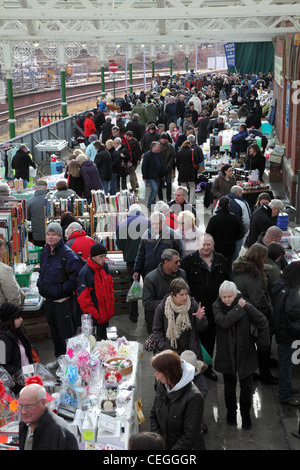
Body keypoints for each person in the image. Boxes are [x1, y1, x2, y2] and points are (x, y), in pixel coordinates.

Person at [213, 281, 270, 429]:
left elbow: (262, 321)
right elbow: (224, 322)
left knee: (247, 387)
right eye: (224, 296)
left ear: (236, 294)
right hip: (226, 354)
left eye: (229, 296)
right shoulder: (217, 306)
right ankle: (231, 414)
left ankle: (246, 416)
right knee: (229, 388)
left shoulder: (247, 305)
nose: (226, 299)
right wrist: (239, 307)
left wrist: (263, 345)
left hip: (246, 352)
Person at [181, 233, 229, 381]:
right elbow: (182, 286)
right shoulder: (188, 262)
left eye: (208, 244)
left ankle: (207, 368)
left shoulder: (222, 261)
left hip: (215, 310)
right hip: (193, 310)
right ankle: (190, 367)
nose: (206, 247)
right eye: (203, 244)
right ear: (198, 245)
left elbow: (228, 284)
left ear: (213, 245)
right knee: (192, 339)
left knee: (209, 339)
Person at [37, 222, 82, 366]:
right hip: (49, 302)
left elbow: (76, 278)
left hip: (64, 303)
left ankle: (70, 363)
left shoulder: (68, 255)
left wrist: (61, 290)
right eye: (48, 234)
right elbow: (42, 271)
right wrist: (40, 284)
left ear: (60, 236)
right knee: (55, 333)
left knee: (67, 336)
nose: (50, 237)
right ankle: (59, 359)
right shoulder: (45, 252)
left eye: (54, 234)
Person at [233, 243, 277, 385]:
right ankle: (264, 374)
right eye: (264, 258)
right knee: (263, 343)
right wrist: (269, 314)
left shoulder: (241, 269)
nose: (266, 260)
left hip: (245, 313)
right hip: (255, 315)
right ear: (259, 258)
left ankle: (252, 371)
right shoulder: (253, 275)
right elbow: (259, 300)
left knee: (248, 345)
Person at [149, 349, 205, 450]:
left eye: (157, 372)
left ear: (168, 373)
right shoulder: (162, 385)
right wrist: (158, 443)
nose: (155, 375)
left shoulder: (194, 397)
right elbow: (153, 415)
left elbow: (189, 437)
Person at [153, 277, 208, 361]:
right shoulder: (162, 308)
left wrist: (200, 319)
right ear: (172, 294)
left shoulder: (193, 305)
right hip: (171, 353)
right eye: (181, 294)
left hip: (191, 352)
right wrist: (166, 348)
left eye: (186, 294)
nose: (185, 297)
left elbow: (203, 328)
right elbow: (157, 331)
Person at [271, 262, 300, 406]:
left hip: (279, 327)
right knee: (286, 363)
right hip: (288, 330)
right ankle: (284, 396)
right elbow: (293, 311)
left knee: (284, 361)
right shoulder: (293, 289)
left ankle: (287, 388)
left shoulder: (279, 283)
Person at [116, 204, 150, 323]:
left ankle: (133, 315)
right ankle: (148, 316)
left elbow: (118, 243)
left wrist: (127, 251)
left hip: (131, 260)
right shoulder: (149, 222)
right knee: (148, 287)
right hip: (147, 260)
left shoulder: (122, 224)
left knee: (132, 286)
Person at [18, 383, 79, 450]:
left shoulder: (60, 432)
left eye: (29, 406)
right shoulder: (24, 426)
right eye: (20, 406)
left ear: (43, 403)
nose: (23, 412)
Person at [143, 249, 187, 335]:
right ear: (166, 262)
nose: (179, 264)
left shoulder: (182, 274)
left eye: (179, 261)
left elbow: (187, 294)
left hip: (179, 323)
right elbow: (147, 303)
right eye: (176, 262)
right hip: (159, 325)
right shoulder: (150, 278)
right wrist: (170, 303)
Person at [77, 243, 115, 341]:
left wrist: (110, 309)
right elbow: (83, 300)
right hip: (94, 321)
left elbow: (110, 289)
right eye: (101, 256)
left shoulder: (105, 267)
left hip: (105, 317)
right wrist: (97, 316)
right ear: (93, 257)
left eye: (105, 256)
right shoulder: (85, 273)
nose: (104, 259)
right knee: (96, 346)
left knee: (106, 344)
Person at [133, 211, 183, 281]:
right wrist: (137, 270)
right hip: (149, 273)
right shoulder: (146, 235)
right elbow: (140, 254)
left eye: (157, 224)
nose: (154, 226)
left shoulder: (172, 235)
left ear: (163, 223)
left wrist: (177, 268)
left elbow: (180, 252)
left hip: (167, 274)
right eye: (152, 224)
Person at [0, 302, 33, 392]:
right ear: (9, 320)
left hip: (28, 375)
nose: (21, 319)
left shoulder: (18, 330)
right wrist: (22, 372)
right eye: (18, 317)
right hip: (18, 384)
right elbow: (3, 367)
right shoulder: (2, 340)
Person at [206, 196, 242, 277]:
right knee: (229, 267)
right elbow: (239, 233)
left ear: (219, 204)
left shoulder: (214, 219)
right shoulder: (234, 218)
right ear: (229, 205)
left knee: (217, 267)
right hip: (230, 248)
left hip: (218, 248)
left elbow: (208, 234)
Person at [0, 239, 25, 307]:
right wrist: (15, 314)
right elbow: (13, 296)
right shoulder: (4, 269)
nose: (5, 252)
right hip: (4, 313)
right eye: (2, 250)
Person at [176, 140, 199, 205]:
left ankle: (184, 201)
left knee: (183, 187)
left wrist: (179, 170)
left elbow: (177, 163)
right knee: (192, 186)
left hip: (182, 171)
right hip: (191, 171)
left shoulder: (179, 152)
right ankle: (192, 201)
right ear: (189, 145)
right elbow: (196, 161)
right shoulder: (192, 152)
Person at [142, 141, 163, 210]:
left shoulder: (158, 154)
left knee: (155, 190)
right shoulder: (148, 155)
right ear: (153, 147)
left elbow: (161, 164)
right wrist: (144, 176)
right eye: (158, 147)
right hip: (150, 176)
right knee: (154, 189)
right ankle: (150, 204)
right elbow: (144, 166)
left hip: (157, 176)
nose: (159, 148)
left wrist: (162, 174)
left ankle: (153, 203)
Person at [27, 179, 48, 247]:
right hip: (53, 233)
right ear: (46, 188)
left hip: (38, 235)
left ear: (35, 188)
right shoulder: (53, 199)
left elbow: (28, 218)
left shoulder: (30, 201)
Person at [158, 132, 176, 202]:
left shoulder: (171, 147)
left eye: (164, 138)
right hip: (159, 169)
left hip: (168, 168)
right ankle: (160, 199)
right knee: (159, 184)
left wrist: (168, 166)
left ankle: (168, 198)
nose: (163, 140)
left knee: (169, 183)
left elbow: (173, 157)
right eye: (162, 138)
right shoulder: (158, 146)